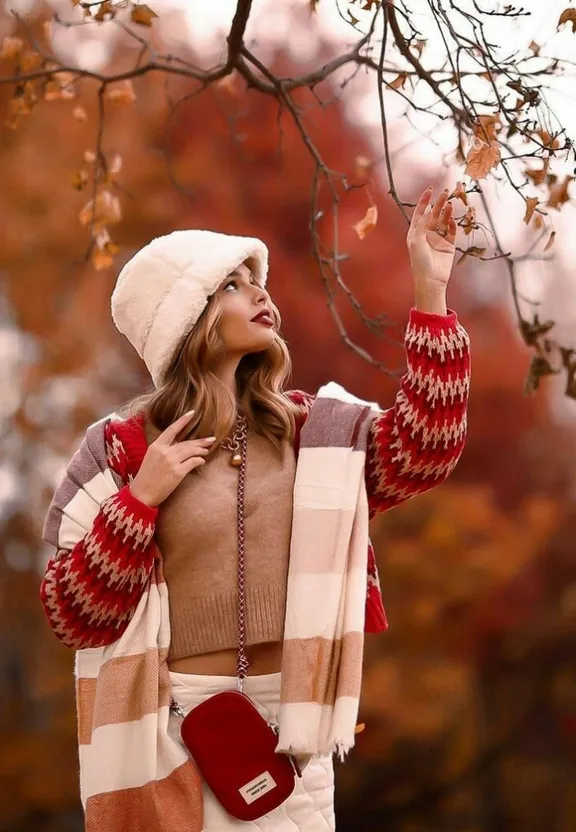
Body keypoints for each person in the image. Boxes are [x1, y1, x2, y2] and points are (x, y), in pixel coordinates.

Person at [40, 185, 470, 832]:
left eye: (256, 280)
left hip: (291, 736)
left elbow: (423, 449)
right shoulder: (121, 451)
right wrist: (140, 500)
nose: (261, 292)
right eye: (233, 285)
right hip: (169, 738)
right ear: (186, 319)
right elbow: (74, 614)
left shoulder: (307, 431)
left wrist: (430, 291)